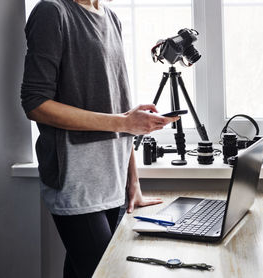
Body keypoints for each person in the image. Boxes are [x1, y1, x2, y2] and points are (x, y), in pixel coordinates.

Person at [20, 0, 179, 277]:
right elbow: (35, 104)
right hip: (77, 181)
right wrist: (124, 121)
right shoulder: (52, 11)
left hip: (113, 183)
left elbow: (120, 112)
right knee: (107, 272)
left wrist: (133, 181)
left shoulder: (111, 18)